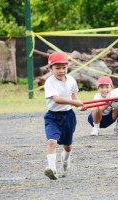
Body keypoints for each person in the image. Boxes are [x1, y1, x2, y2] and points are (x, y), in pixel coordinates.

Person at [43, 52, 83, 180]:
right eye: (57, 68)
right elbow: (57, 99)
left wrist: (80, 105)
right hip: (53, 117)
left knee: (68, 145)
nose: (61, 71)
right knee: (51, 142)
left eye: (64, 67)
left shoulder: (71, 80)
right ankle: (52, 169)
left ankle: (65, 160)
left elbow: (74, 96)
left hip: (68, 117)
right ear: (50, 69)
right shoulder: (50, 82)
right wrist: (74, 103)